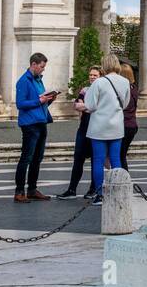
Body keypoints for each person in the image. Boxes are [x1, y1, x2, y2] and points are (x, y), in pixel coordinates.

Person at [82, 54, 130, 205]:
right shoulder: (125, 81)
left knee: (98, 160)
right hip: (116, 125)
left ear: (104, 65)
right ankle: (117, 192)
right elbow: (126, 104)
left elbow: (90, 105)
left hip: (99, 126)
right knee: (116, 159)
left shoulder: (99, 82)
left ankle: (99, 194)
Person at [14, 52, 58, 202]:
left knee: (37, 158)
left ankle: (32, 189)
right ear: (33, 64)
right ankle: (19, 191)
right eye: (41, 66)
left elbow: (41, 102)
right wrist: (39, 100)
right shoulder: (23, 81)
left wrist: (49, 99)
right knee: (26, 158)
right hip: (29, 124)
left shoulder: (39, 80)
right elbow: (20, 104)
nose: (43, 69)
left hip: (41, 122)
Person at [57, 66, 101, 199]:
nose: (92, 77)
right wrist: (89, 107)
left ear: (100, 77)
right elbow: (77, 105)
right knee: (78, 159)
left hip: (96, 129)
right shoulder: (84, 90)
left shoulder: (101, 90)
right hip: (83, 129)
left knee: (95, 160)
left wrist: (86, 106)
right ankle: (72, 189)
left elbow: (96, 108)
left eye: (95, 75)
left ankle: (93, 189)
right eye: (90, 74)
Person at [118, 63, 139, 169]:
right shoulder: (133, 88)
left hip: (123, 124)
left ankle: (124, 180)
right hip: (132, 124)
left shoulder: (124, 90)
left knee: (120, 156)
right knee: (122, 155)